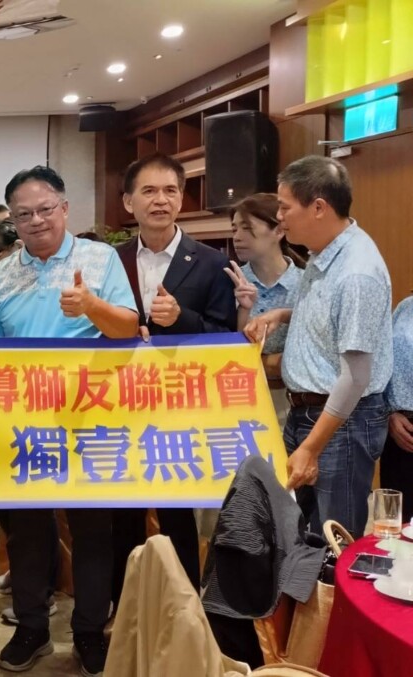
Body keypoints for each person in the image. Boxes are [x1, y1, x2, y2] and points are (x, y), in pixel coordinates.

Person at [0, 166, 139, 677]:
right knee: (27, 531)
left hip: (89, 418)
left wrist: (90, 305)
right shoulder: (0, 274)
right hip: (24, 422)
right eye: (23, 214)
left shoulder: (100, 259)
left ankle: (89, 632)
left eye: (45, 209)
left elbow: (128, 328)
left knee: (92, 529)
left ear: (65, 209)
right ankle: (31, 627)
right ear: (13, 220)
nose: (36, 220)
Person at [245, 155, 392, 538]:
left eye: (285, 207)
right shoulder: (325, 251)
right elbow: (334, 320)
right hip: (308, 413)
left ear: (319, 207)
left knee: (331, 538)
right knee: (297, 535)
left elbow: (355, 377)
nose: (280, 217)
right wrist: (283, 315)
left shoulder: (357, 272)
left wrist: (311, 448)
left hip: (340, 423)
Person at [111, 152, 236, 594]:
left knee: (176, 512)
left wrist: (181, 319)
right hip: (120, 405)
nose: (160, 200)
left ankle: (184, 607)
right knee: (122, 511)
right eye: (148, 191)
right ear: (129, 202)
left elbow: (224, 339)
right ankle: (124, 603)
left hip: (180, 409)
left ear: (182, 199)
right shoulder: (110, 260)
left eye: (169, 191)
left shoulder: (211, 262)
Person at [222, 193, 305, 423]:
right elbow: (228, 351)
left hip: (294, 399)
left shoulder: (306, 283)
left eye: (247, 228)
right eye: (234, 229)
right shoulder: (228, 281)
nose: (237, 237)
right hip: (238, 395)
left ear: (278, 231)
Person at [384, 292, 413, 523]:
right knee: (393, 524)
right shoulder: (406, 307)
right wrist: (389, 413)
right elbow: (383, 364)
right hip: (399, 431)